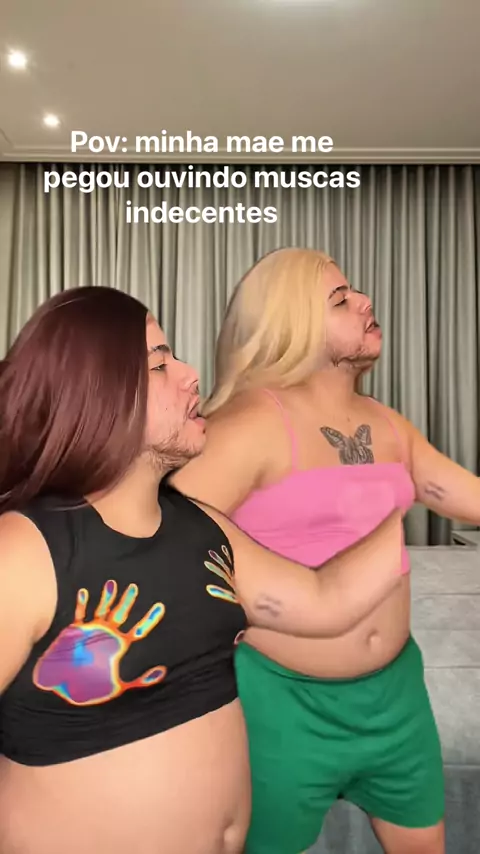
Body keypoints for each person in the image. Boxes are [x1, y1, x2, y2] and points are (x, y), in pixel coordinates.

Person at [0, 286, 405, 854]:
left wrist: (403, 497)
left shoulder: (203, 529)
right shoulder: (24, 551)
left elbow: (323, 599)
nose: (191, 375)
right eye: (159, 364)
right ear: (95, 393)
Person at [172, 247, 480, 854]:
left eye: (354, 291)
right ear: (291, 326)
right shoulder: (248, 426)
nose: (364, 301)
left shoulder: (387, 424)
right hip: (282, 705)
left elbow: (461, 493)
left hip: (397, 696)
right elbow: (161, 542)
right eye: (340, 300)